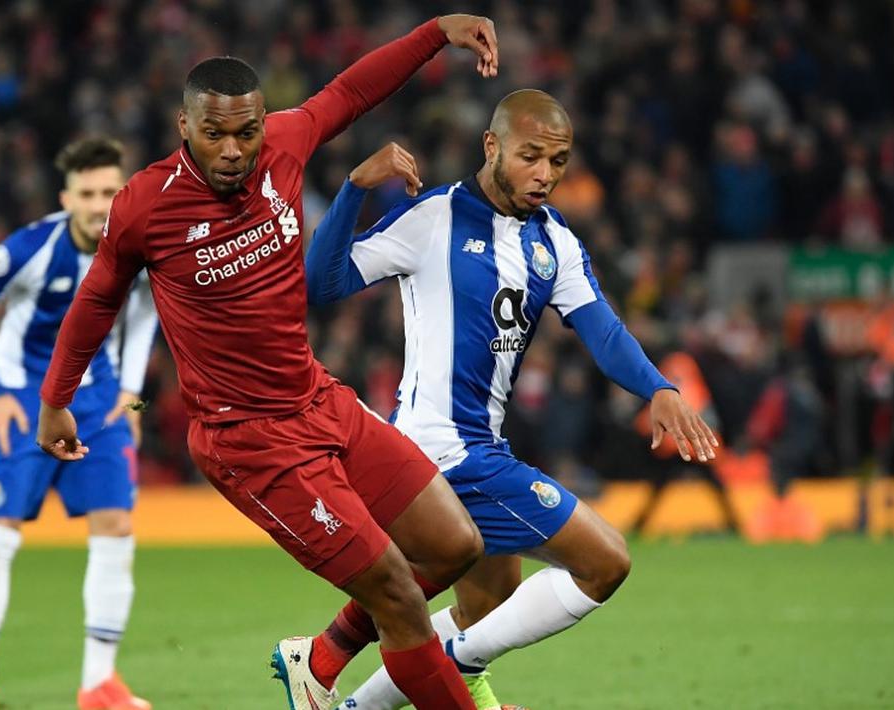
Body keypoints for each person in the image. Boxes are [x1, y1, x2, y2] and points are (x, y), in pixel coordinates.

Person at [37, 16, 501, 710]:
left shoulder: (286, 142)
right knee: (400, 598)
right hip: (249, 441)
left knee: (454, 545)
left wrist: (436, 32)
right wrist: (55, 400)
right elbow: (96, 300)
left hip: (318, 399)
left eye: (246, 132)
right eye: (214, 134)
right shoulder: (144, 206)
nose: (233, 150)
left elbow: (350, 92)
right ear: (184, 126)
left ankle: (320, 659)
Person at [304, 90, 719, 709]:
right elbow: (321, 283)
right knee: (605, 562)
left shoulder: (554, 241)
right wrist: (355, 189)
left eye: (558, 161)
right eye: (531, 157)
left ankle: (352, 700)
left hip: (482, 445)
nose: (545, 174)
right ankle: (450, 664)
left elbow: (603, 330)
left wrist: (657, 387)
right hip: (440, 450)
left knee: (484, 606)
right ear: (492, 146)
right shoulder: (434, 218)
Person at [0, 138, 158, 710]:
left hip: (99, 401)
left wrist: (131, 393)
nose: (98, 205)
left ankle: (99, 683)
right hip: (23, 399)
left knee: (117, 525)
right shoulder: (31, 247)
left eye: (109, 192)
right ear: (66, 198)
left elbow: (147, 311)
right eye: (86, 194)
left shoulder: (137, 246)